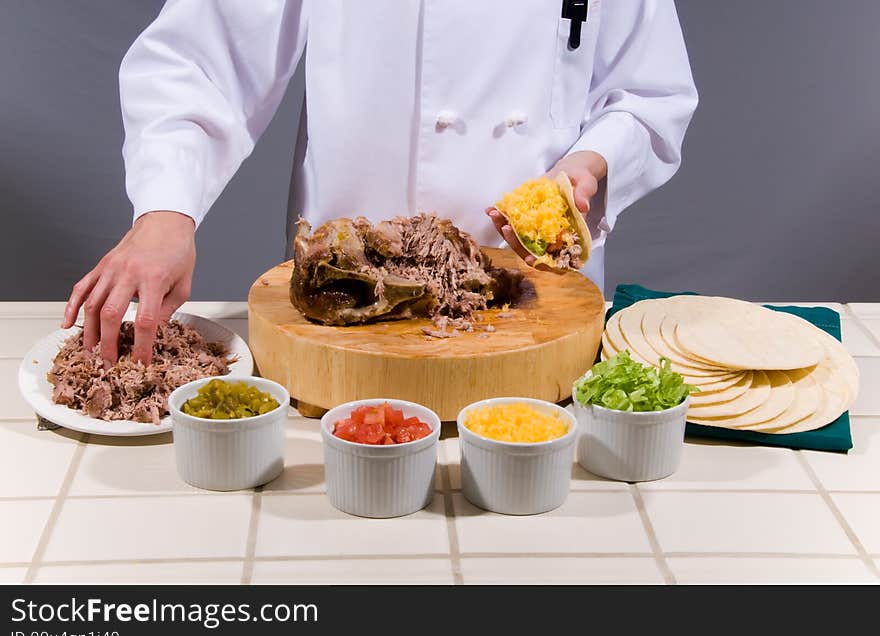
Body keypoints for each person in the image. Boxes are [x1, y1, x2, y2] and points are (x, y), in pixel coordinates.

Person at [63, 0, 697, 365]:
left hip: (534, 315)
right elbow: (198, 57)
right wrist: (165, 213)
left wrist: (585, 166)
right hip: (342, 299)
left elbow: (651, 94)